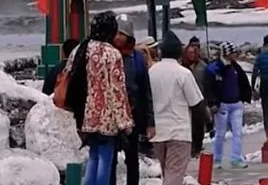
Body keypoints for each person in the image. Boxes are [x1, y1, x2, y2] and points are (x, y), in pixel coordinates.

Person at [64, 11, 134, 185]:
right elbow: (117, 91)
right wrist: (125, 123)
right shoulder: (112, 54)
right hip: (107, 116)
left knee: (93, 156)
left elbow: (67, 75)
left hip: (85, 115)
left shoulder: (80, 49)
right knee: (105, 159)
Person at [149, 31, 209, 185]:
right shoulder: (183, 74)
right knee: (174, 176)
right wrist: (199, 136)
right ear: (179, 52)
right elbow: (197, 105)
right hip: (179, 132)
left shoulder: (151, 72)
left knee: (167, 174)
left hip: (158, 133)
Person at [110, 17, 156, 185]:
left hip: (133, 114)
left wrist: (150, 122)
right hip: (111, 116)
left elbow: (146, 90)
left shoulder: (137, 58)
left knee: (132, 158)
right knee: (110, 159)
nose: (118, 37)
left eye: (122, 33)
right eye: (116, 32)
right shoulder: (108, 55)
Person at [204, 42, 251, 169]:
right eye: (233, 52)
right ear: (227, 53)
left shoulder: (235, 67)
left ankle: (236, 158)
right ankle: (217, 159)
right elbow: (208, 88)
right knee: (220, 133)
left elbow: (243, 82)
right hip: (222, 105)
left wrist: (244, 98)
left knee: (238, 132)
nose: (235, 55)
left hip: (236, 104)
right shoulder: (213, 69)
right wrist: (212, 103)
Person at [181, 41, 208, 156]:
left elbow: (207, 83)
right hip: (185, 101)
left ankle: (197, 146)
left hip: (200, 98)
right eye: (189, 52)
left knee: (199, 124)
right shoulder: (182, 67)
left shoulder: (203, 67)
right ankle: (190, 147)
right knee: (189, 125)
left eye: (193, 52)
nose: (191, 55)